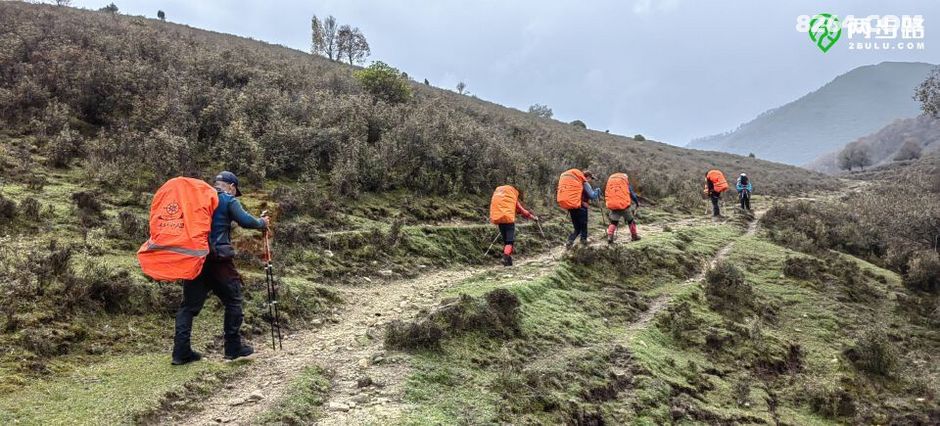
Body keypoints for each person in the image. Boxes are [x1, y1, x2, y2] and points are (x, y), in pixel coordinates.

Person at [172, 171, 269, 365]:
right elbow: (245, 221)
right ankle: (233, 348)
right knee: (233, 300)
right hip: (219, 261)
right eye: (235, 191)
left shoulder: (197, 199)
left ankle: (181, 352)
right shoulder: (227, 199)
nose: (234, 194)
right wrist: (262, 223)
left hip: (195, 259)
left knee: (188, 307)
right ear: (231, 186)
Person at [489, 185, 538, 266]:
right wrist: (533, 217)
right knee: (510, 242)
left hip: (500, 221)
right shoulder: (512, 199)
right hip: (509, 222)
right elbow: (522, 211)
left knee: (506, 242)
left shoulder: (502, 200)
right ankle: (505, 257)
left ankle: (508, 263)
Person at [557, 169, 600, 249]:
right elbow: (592, 196)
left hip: (572, 207)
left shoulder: (575, 182)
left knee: (577, 228)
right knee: (583, 225)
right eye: (591, 178)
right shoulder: (585, 183)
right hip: (581, 208)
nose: (591, 180)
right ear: (588, 177)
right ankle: (583, 242)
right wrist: (597, 191)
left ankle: (569, 241)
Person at [604, 172, 640, 243]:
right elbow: (632, 195)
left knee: (613, 222)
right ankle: (634, 236)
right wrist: (637, 202)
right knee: (631, 221)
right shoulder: (625, 185)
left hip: (613, 206)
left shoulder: (611, 184)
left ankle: (610, 237)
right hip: (624, 206)